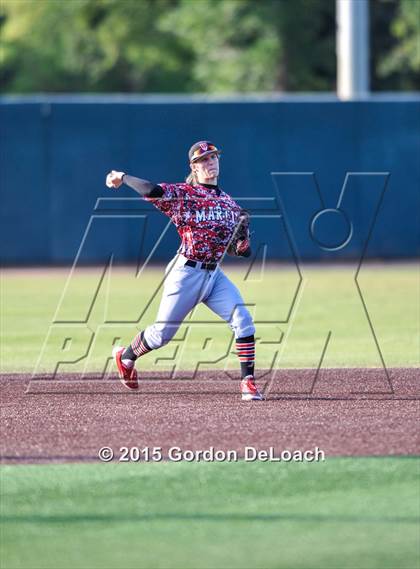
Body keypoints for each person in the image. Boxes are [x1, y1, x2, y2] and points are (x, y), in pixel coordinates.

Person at [105, 140, 263, 401]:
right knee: (161, 335)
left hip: (214, 276)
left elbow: (238, 251)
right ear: (194, 167)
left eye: (213, 158)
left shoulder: (230, 205)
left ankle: (248, 383)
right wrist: (123, 176)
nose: (209, 162)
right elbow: (152, 190)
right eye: (203, 160)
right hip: (185, 272)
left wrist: (243, 245)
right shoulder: (184, 194)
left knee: (243, 320)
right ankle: (126, 356)